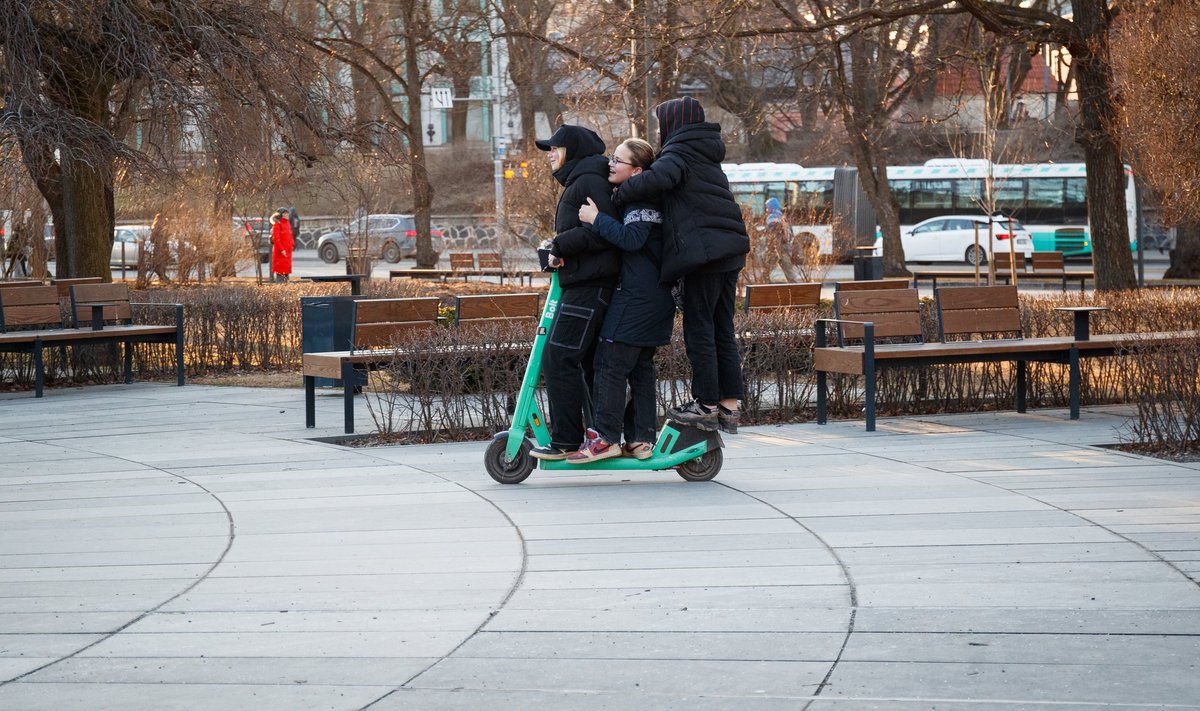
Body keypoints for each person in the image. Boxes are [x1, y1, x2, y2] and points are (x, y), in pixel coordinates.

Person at [614, 97, 750, 434]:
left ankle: (704, 403)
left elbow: (655, 181)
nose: (660, 132)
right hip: (730, 250)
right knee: (721, 328)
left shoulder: (678, 152)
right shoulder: (706, 153)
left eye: (662, 125)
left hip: (704, 254)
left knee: (699, 327)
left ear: (675, 123)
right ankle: (729, 404)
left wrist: (620, 193)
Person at [567, 137, 676, 462]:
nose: (610, 164)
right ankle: (641, 439)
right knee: (641, 367)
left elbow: (631, 239)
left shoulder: (642, 199)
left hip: (638, 299)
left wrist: (595, 218)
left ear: (638, 170)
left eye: (618, 161)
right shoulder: (643, 196)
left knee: (609, 364)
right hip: (654, 297)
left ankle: (605, 439)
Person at [529, 125, 622, 460]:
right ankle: (597, 436)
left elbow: (602, 232)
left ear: (573, 149)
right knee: (579, 361)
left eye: (555, 148)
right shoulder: (583, 179)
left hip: (589, 286)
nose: (550, 154)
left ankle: (566, 441)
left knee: (559, 357)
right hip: (585, 283)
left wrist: (560, 244)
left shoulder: (587, 181)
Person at [763, 197, 802, 282]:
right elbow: (790, 233)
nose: (766, 209)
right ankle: (795, 287)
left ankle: (763, 286)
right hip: (785, 247)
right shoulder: (782, 216)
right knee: (788, 271)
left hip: (777, 247)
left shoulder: (772, 216)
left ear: (771, 206)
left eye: (767, 207)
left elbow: (771, 231)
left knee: (768, 269)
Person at [270, 207, 294, 283]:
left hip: (287, 251)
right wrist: (282, 249)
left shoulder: (287, 223)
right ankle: (280, 291)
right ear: (280, 214)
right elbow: (276, 239)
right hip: (280, 253)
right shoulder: (277, 224)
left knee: (286, 274)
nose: (287, 214)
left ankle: (285, 290)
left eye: (287, 213)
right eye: (285, 213)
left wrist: (292, 245)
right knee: (280, 274)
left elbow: (290, 236)